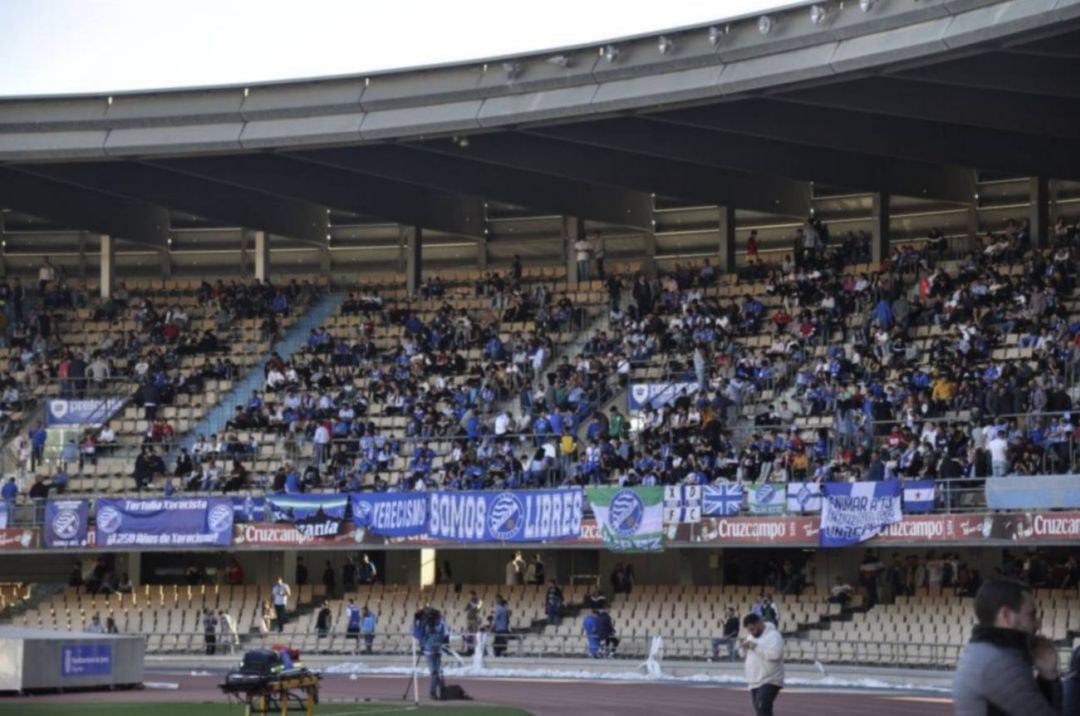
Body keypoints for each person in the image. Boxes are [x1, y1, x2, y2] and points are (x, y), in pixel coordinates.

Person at [953, 579, 1062, 715]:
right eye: (1031, 615)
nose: (1037, 624)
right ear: (1006, 615)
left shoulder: (984, 651)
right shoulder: (1000, 664)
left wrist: (1048, 674)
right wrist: (1049, 677)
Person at [742, 613, 785, 716]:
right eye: (749, 630)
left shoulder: (774, 636)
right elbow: (743, 653)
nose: (751, 632)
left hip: (770, 679)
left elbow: (776, 655)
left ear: (759, 623)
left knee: (762, 707)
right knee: (760, 710)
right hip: (754, 680)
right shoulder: (750, 636)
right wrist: (743, 648)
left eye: (753, 629)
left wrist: (755, 647)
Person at [414, 606, 448, 700]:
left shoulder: (440, 623)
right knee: (434, 672)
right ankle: (436, 691)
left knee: (436, 672)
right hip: (429, 651)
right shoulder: (425, 623)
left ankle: (440, 689)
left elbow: (444, 635)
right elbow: (418, 633)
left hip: (436, 650)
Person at [464, 591, 482, 656]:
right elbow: (465, 609)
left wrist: (474, 605)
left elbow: (478, 610)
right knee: (469, 634)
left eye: (471, 595)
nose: (471, 597)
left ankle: (476, 648)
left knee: (475, 634)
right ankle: (469, 648)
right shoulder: (469, 603)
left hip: (475, 620)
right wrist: (469, 604)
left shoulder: (479, 602)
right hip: (469, 619)